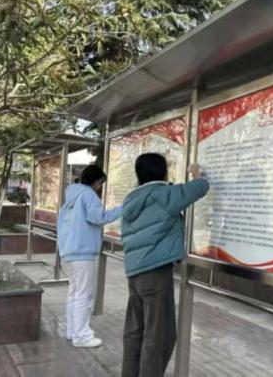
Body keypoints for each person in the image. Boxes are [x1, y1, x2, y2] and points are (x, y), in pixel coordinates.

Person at [121, 154, 209, 377]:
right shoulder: (163, 194)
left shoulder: (132, 198)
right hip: (155, 274)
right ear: (161, 172)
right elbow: (200, 187)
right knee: (158, 335)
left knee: (135, 332)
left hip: (134, 274)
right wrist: (197, 174)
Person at [57, 164, 122, 349]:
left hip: (70, 251)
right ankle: (82, 336)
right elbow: (98, 218)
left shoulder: (72, 195)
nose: (100, 187)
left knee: (74, 293)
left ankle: (72, 331)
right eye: (100, 183)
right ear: (96, 181)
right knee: (84, 295)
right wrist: (122, 209)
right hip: (83, 252)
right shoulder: (88, 195)